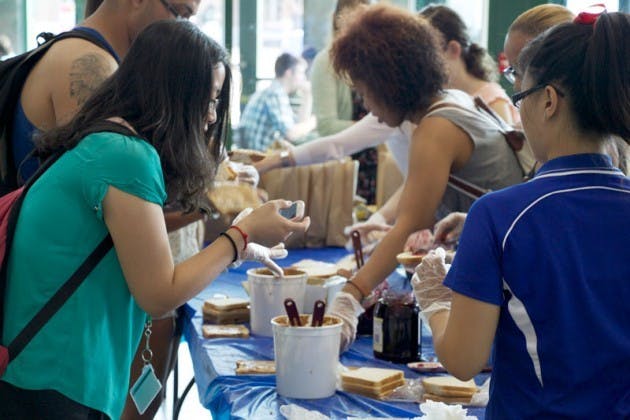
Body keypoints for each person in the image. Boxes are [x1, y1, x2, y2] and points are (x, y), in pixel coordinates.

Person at [0, 20, 310, 420]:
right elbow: (159, 293)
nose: (213, 116)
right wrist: (240, 233)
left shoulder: (107, 139)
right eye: (210, 98)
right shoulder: (126, 156)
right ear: (176, 92)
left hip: (49, 372)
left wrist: (239, 246)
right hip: (53, 379)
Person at [413, 10, 630, 418]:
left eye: (520, 99)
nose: (520, 115)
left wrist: (436, 300)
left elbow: (463, 361)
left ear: (548, 101)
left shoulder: (497, 215)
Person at [321, 4, 522, 350]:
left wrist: (350, 296)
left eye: (365, 91)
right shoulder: (453, 102)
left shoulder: (437, 127)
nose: (367, 105)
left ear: (387, 84)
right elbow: (416, 204)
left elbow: (409, 228)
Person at [310, 0, 377, 203]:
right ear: (338, 22)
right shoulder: (326, 62)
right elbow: (326, 126)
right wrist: (373, 130)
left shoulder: (374, 61)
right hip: (346, 164)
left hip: (376, 163)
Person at [421, 4, 518, 126]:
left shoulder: (493, 100)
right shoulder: (439, 99)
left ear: (453, 49)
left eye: (429, 56)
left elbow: (506, 144)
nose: (423, 67)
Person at [238, 52, 316, 151]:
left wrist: (308, 95)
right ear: (288, 73)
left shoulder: (272, 91)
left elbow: (299, 126)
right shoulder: (275, 94)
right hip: (262, 159)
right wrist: (314, 122)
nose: (304, 78)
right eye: (301, 73)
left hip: (260, 156)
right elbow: (291, 134)